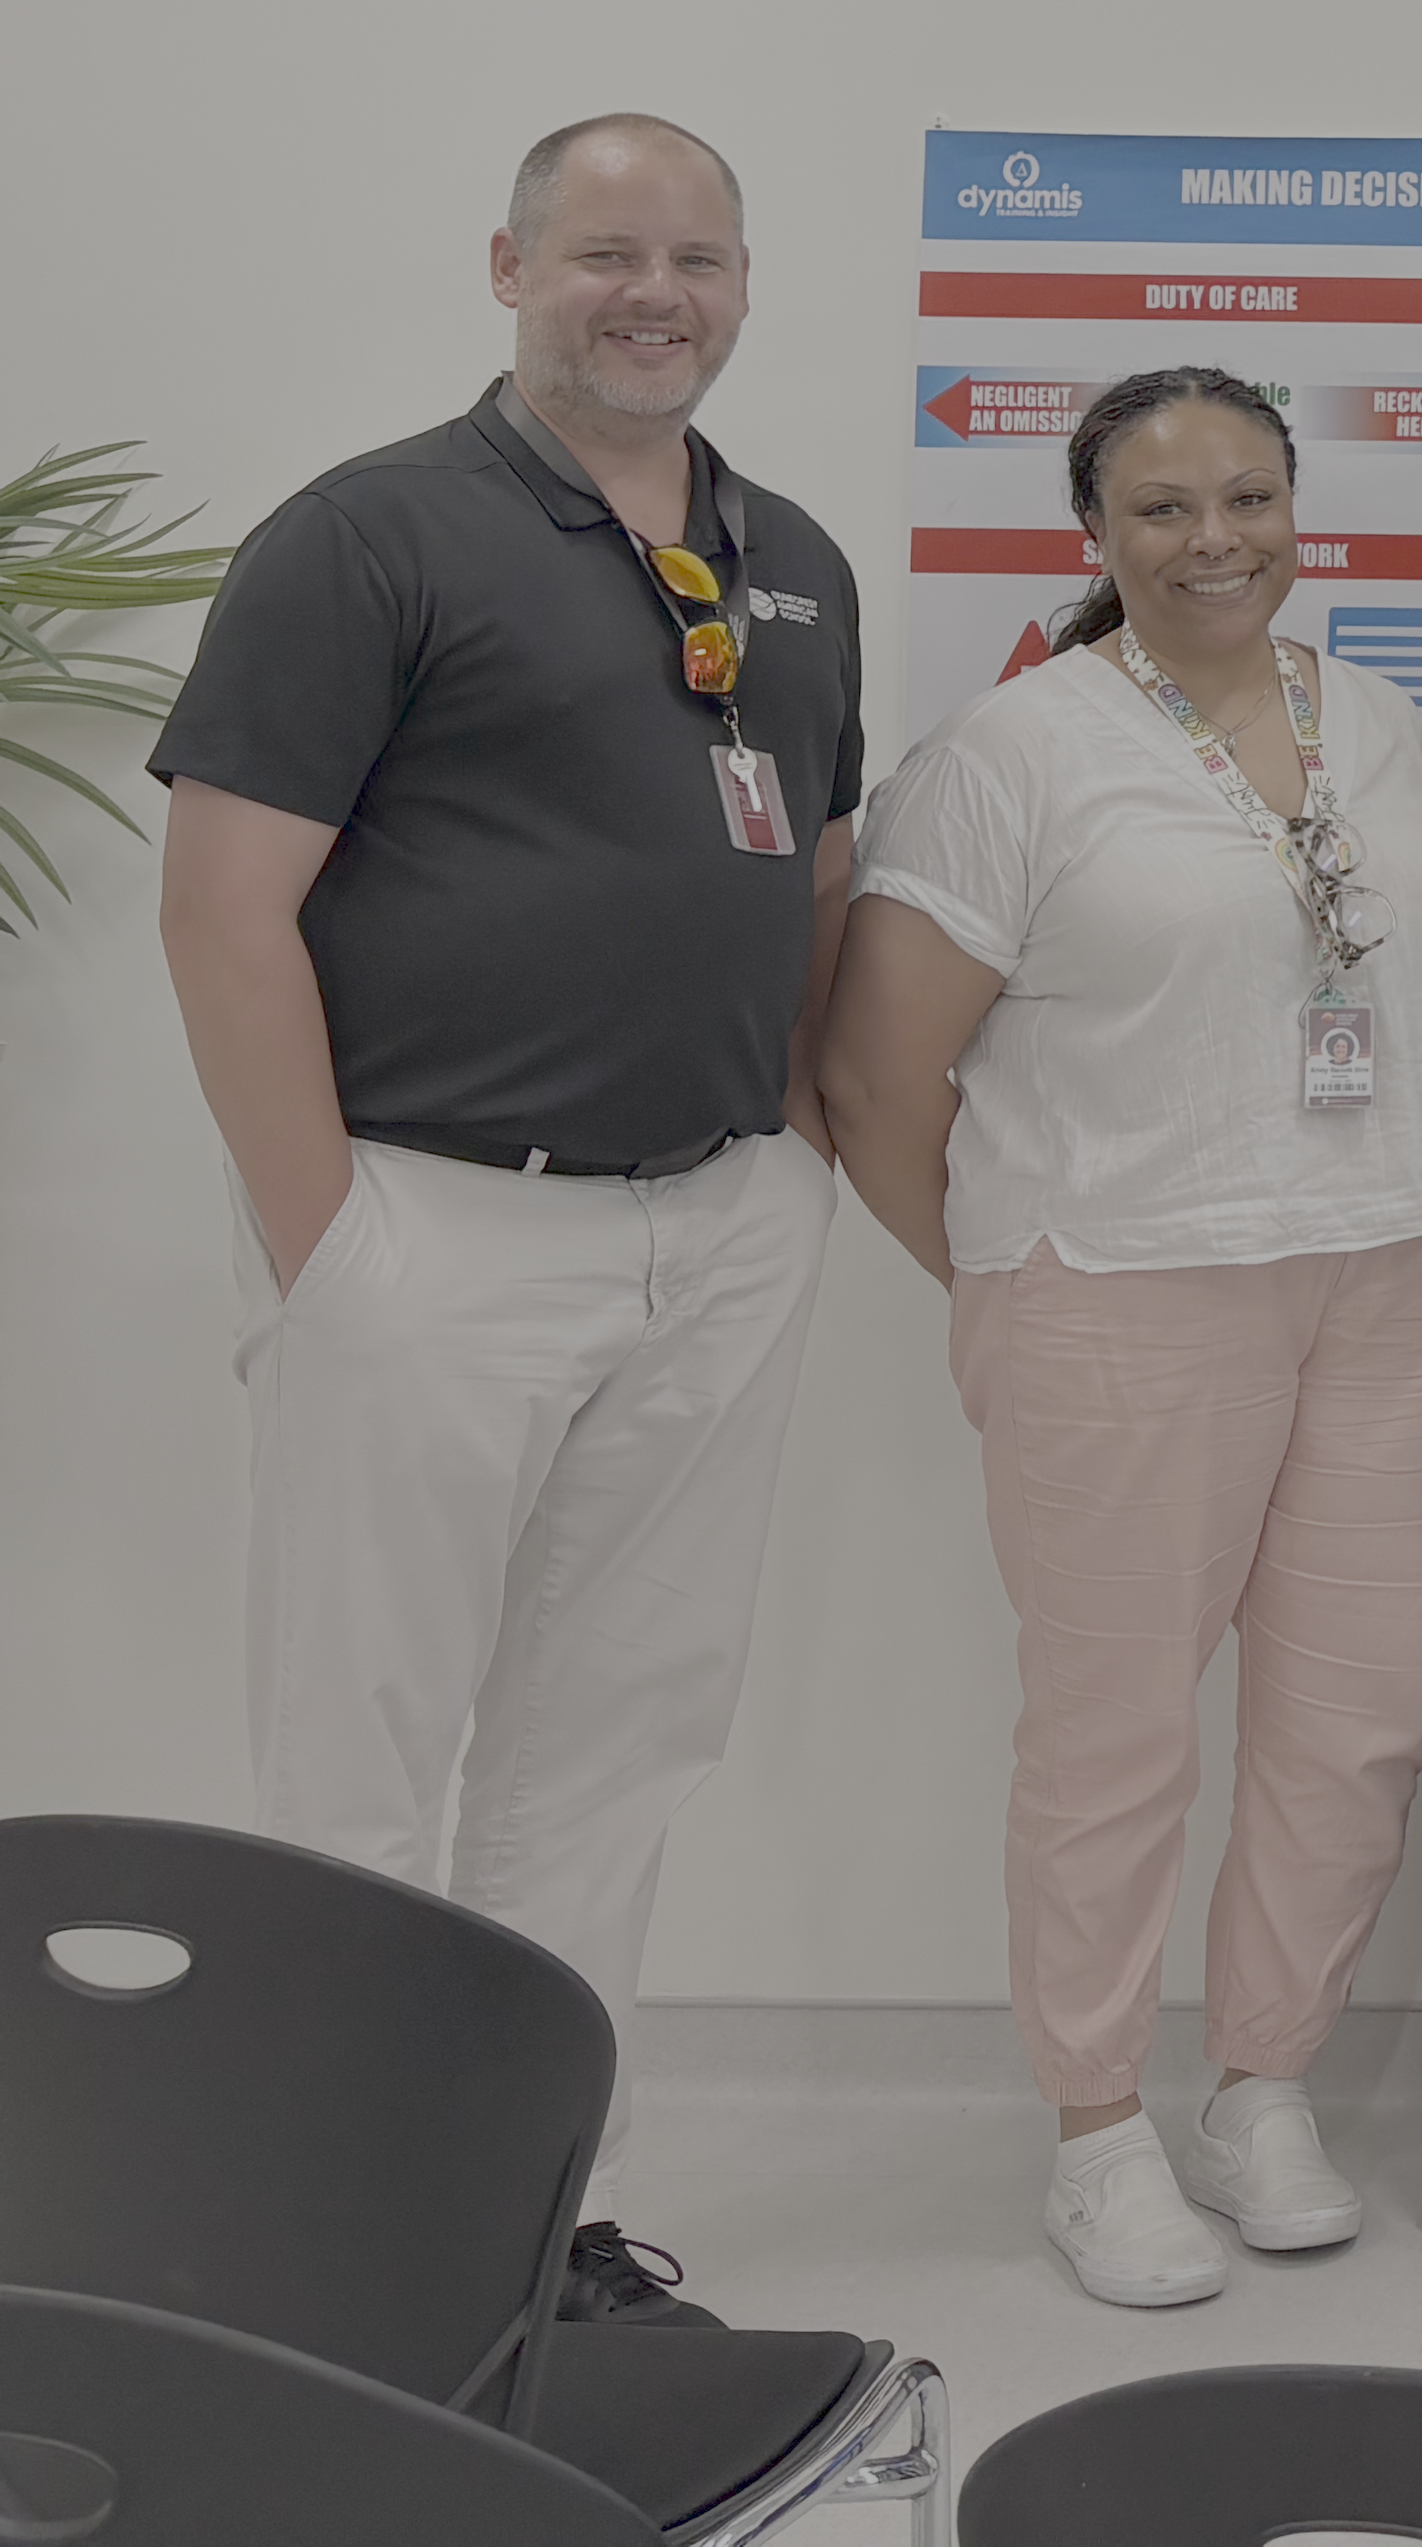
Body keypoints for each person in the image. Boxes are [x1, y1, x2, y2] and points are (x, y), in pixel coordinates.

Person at [146, 112, 863, 2327]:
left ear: (747, 283)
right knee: (361, 1762)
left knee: (612, 1751)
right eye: (606, 253)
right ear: (509, 266)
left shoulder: (797, 557)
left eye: (700, 258)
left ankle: (527, 2220)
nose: (655, 292)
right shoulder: (373, 534)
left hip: (721, 1227)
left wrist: (799, 1164)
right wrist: (330, 1243)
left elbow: (816, 878)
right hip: (438, 1232)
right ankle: (331, 2240)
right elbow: (221, 909)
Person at [821, 368, 1422, 2312]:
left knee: (1351, 1727)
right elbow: (872, 1082)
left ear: (1299, 512)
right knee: (1116, 1748)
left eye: (1251, 498)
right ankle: (1098, 2126)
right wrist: (1018, 1281)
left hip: (1381, 1276)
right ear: (1091, 538)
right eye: (1168, 508)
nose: (1218, 541)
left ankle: (1259, 2087)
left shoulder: (1370, 719)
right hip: (1116, 1291)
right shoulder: (1015, 752)